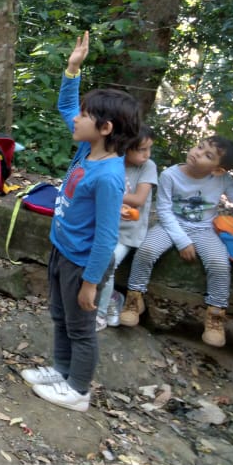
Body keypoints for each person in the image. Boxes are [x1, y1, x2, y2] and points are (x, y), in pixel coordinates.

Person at [20, 32, 141, 412]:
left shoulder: (108, 176)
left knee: (81, 327)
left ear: (105, 128)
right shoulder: (89, 149)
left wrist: (91, 284)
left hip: (84, 262)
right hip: (63, 250)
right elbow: (66, 105)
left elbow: (106, 237)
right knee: (60, 315)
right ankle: (61, 371)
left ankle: (78, 390)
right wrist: (72, 67)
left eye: (87, 115)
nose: (77, 118)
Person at [120, 135, 233, 346]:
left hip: (204, 230)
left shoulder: (222, 180)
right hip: (169, 225)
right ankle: (134, 298)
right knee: (146, 251)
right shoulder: (170, 175)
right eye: (200, 147)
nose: (198, 153)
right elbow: (163, 211)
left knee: (219, 263)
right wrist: (182, 241)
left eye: (208, 155)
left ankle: (215, 315)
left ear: (218, 169)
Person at [94, 126, 157, 331]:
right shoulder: (113, 161)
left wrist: (109, 192)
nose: (146, 155)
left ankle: (101, 313)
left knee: (107, 263)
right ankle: (113, 296)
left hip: (128, 232)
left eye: (149, 149)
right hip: (104, 225)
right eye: (141, 149)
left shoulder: (148, 167)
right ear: (126, 147)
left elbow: (138, 199)